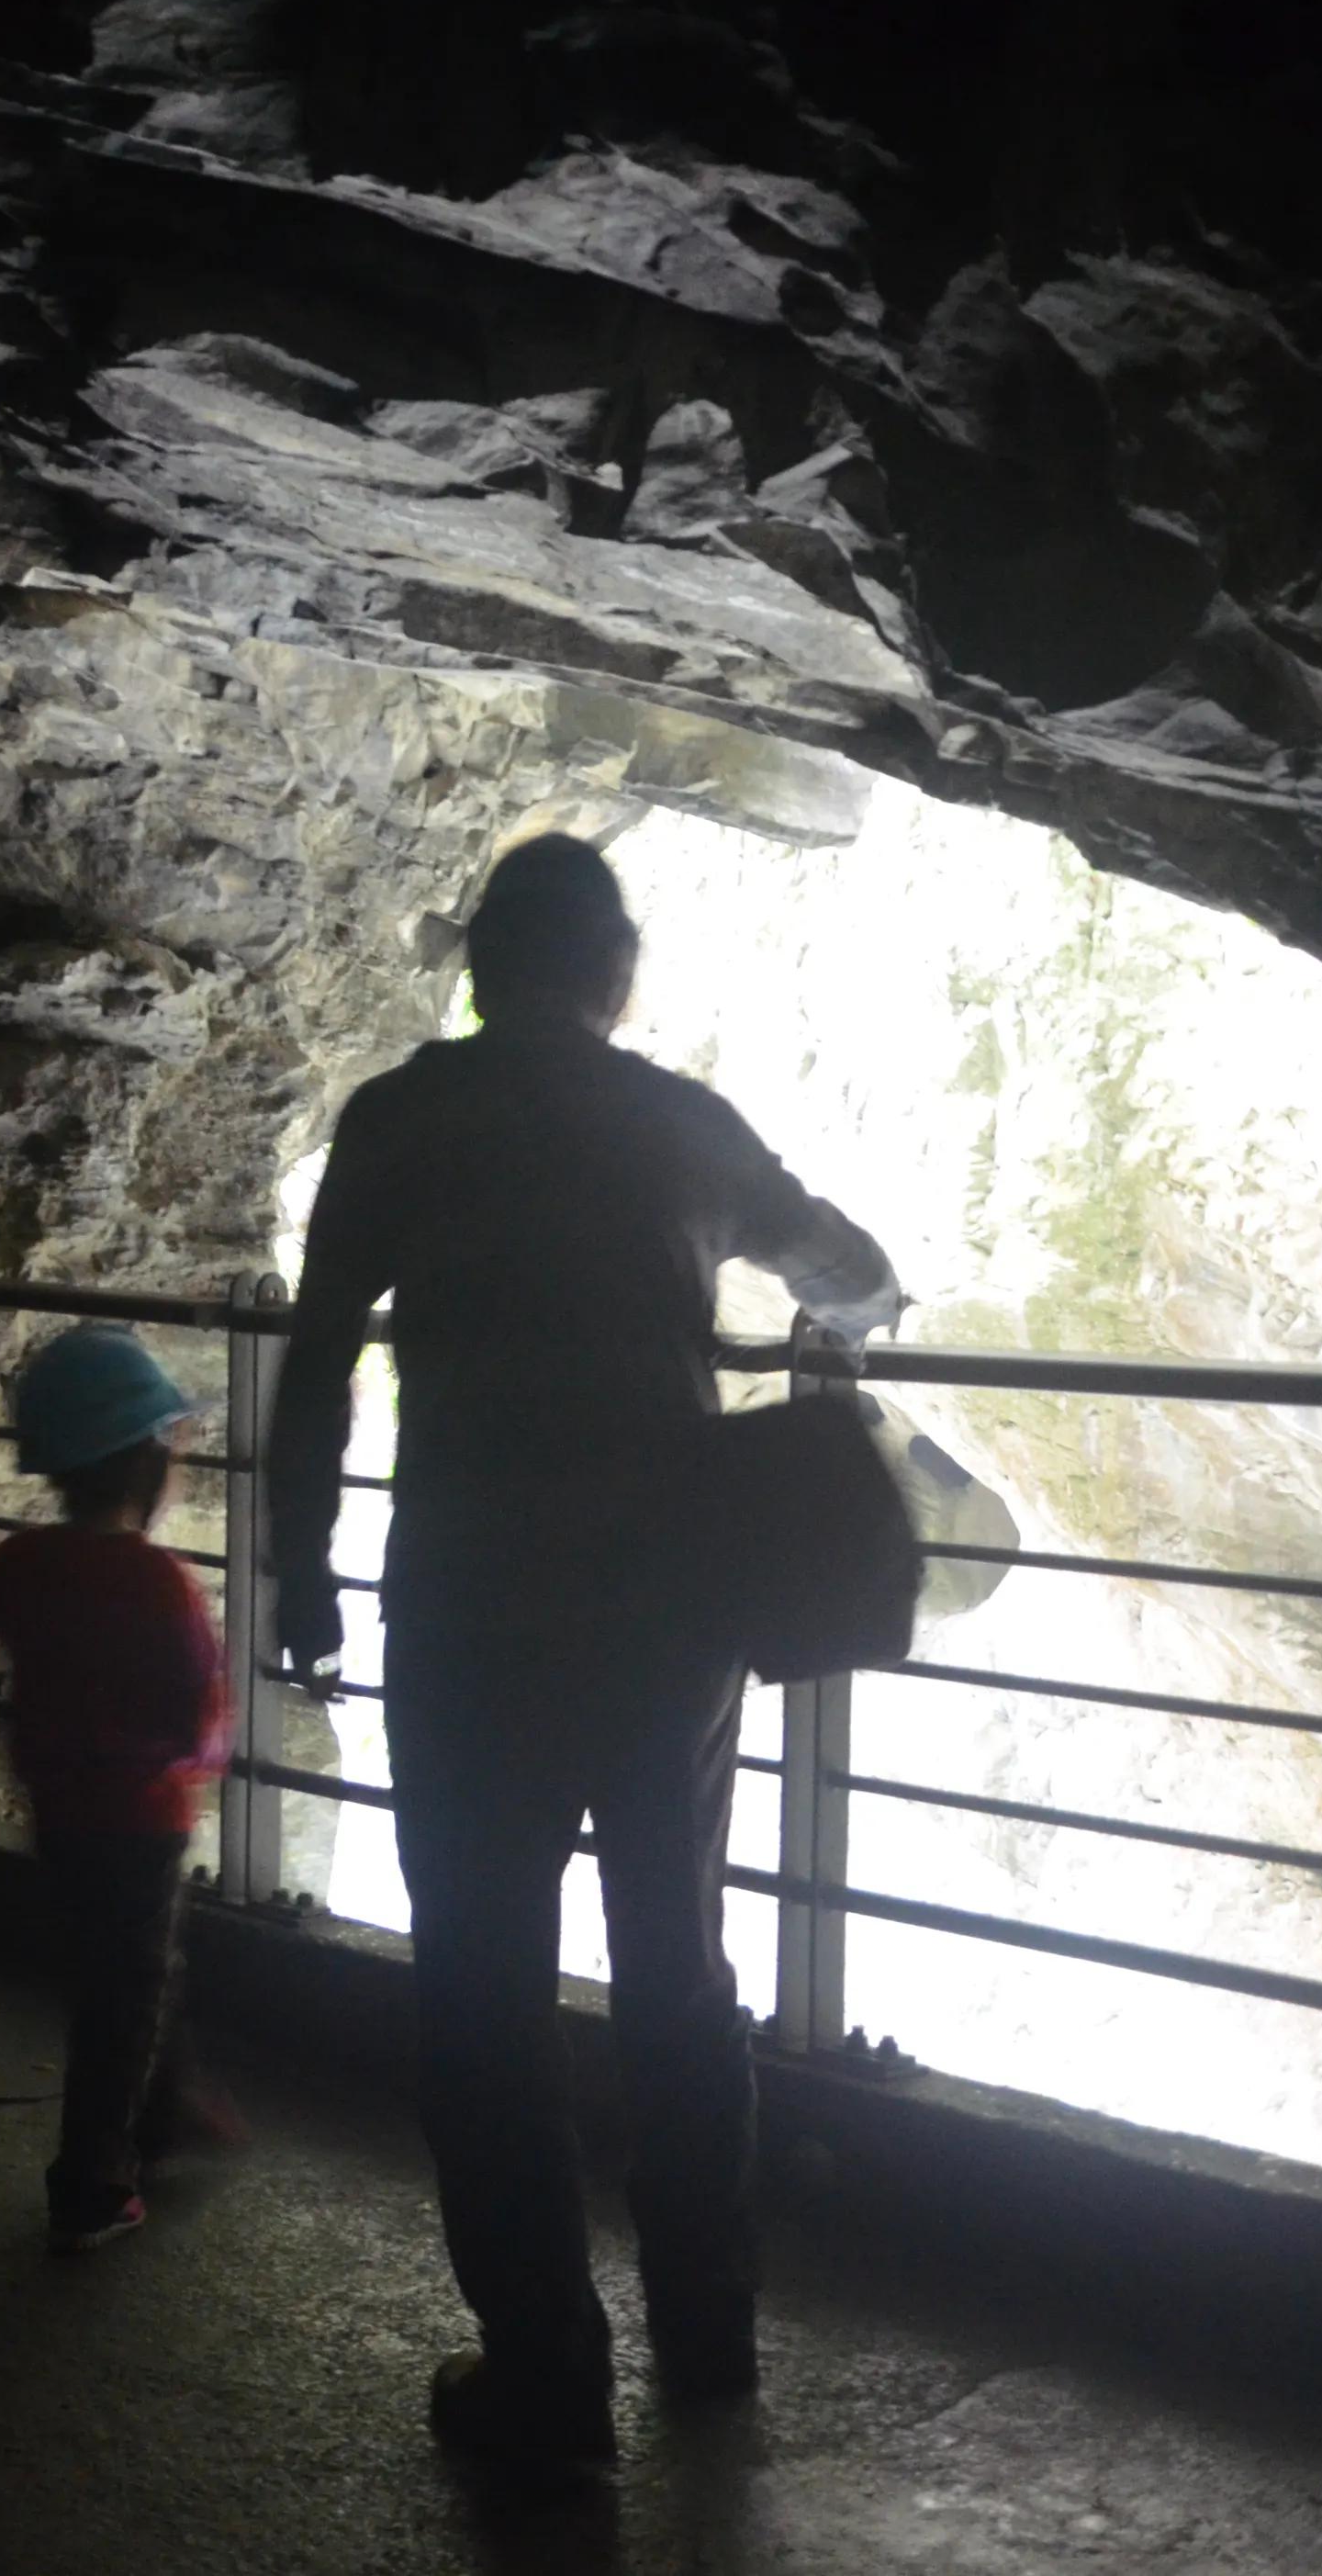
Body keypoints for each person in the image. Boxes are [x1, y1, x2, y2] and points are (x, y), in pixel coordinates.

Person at [264, 834, 899, 2469]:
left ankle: (546, 2373)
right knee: (675, 1973)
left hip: (469, 1602)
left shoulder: (398, 1118)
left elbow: (318, 1359)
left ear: (480, 967)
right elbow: (850, 1269)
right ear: (615, 974)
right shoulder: (677, 1122)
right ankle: (709, 2335)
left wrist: (299, 1573)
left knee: (481, 1987)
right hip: (665, 1614)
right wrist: (833, 1326)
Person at [0, 1323, 239, 2251]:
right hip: (145, 1826)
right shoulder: (161, 1584)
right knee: (125, 1995)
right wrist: (196, 1769)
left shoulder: (28, 1561)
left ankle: (163, 2112)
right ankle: (92, 2185)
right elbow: (201, 1719)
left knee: (123, 1972)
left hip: (60, 1816)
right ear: (148, 1462)